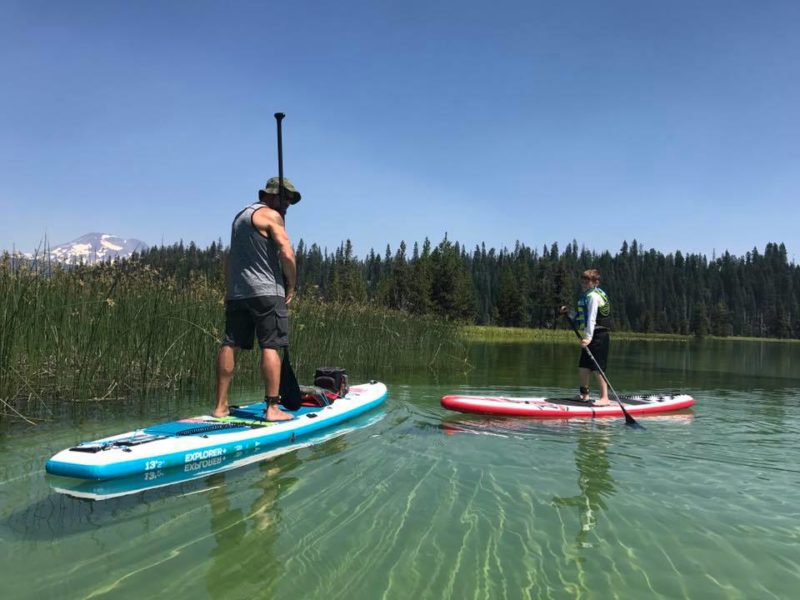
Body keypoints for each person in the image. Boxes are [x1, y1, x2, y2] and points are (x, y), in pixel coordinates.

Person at [212, 177, 301, 421]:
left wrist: (229, 288)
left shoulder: (240, 218)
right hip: (267, 293)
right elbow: (287, 251)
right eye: (284, 199)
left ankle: (221, 406)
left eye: (290, 202)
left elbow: (230, 258)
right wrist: (291, 284)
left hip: (238, 293)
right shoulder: (271, 216)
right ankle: (273, 408)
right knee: (270, 345)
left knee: (231, 343)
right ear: (269, 195)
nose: (287, 205)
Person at [561, 268, 612, 406]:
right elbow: (581, 316)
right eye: (582, 280)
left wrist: (588, 338)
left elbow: (591, 319)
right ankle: (584, 395)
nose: (583, 283)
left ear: (595, 282)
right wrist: (568, 313)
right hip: (590, 334)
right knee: (583, 367)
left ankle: (605, 398)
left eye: (587, 281)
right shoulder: (586, 295)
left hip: (599, 335)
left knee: (597, 368)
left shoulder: (594, 297)